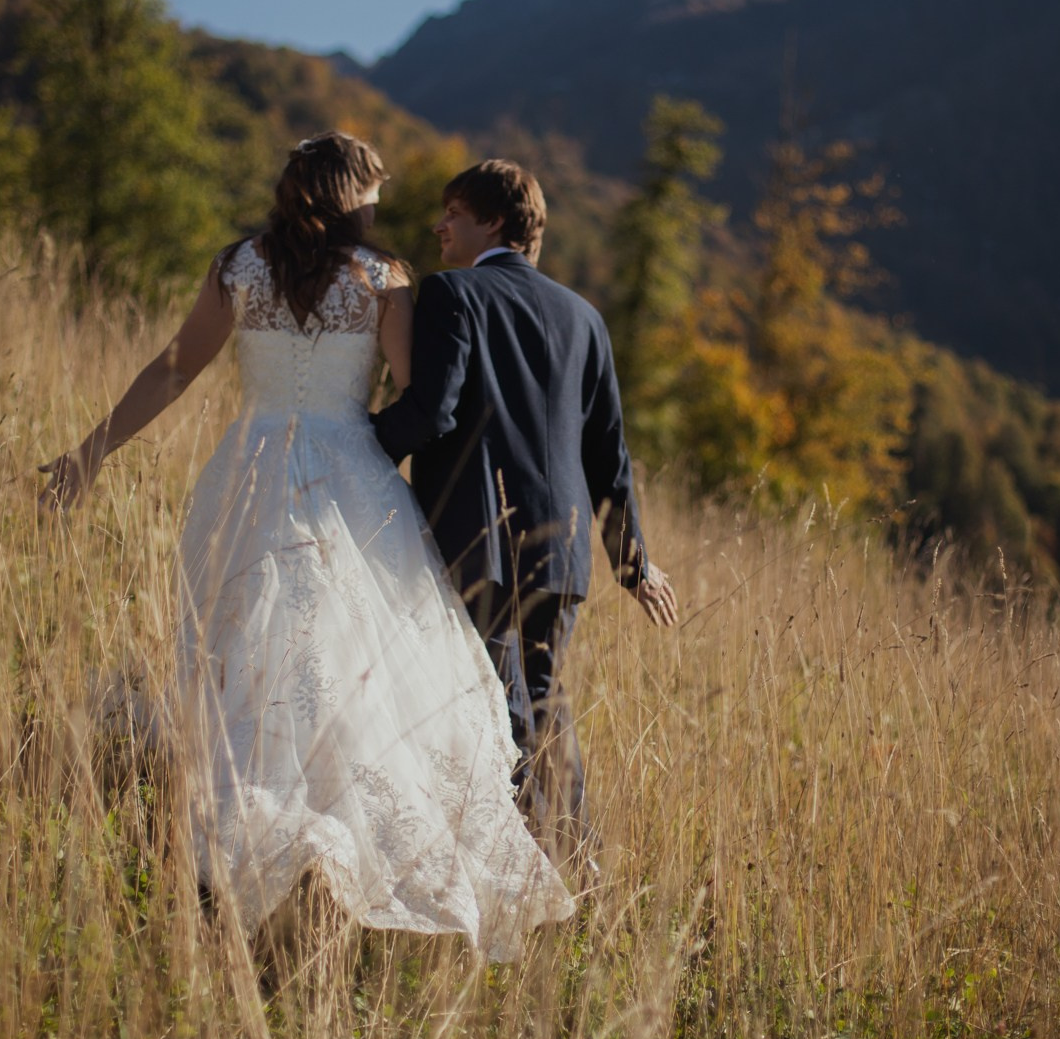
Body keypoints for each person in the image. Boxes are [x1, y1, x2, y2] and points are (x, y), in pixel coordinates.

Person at [38, 133, 573, 960]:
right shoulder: (385, 279)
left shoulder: (237, 267)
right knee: (351, 677)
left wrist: (91, 450)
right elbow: (417, 399)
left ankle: (244, 856)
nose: (384, 206)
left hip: (247, 474)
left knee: (248, 661)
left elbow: (172, 369)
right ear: (351, 192)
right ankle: (312, 856)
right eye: (377, 192)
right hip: (349, 481)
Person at [372, 160, 678, 863]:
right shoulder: (586, 317)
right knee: (536, 704)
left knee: (496, 707)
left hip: (480, 537)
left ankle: (534, 868)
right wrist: (634, 564)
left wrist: (353, 450)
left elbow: (432, 410)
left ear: (498, 223)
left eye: (455, 212)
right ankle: (572, 858)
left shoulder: (453, 294)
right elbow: (611, 456)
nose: (438, 224)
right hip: (562, 557)